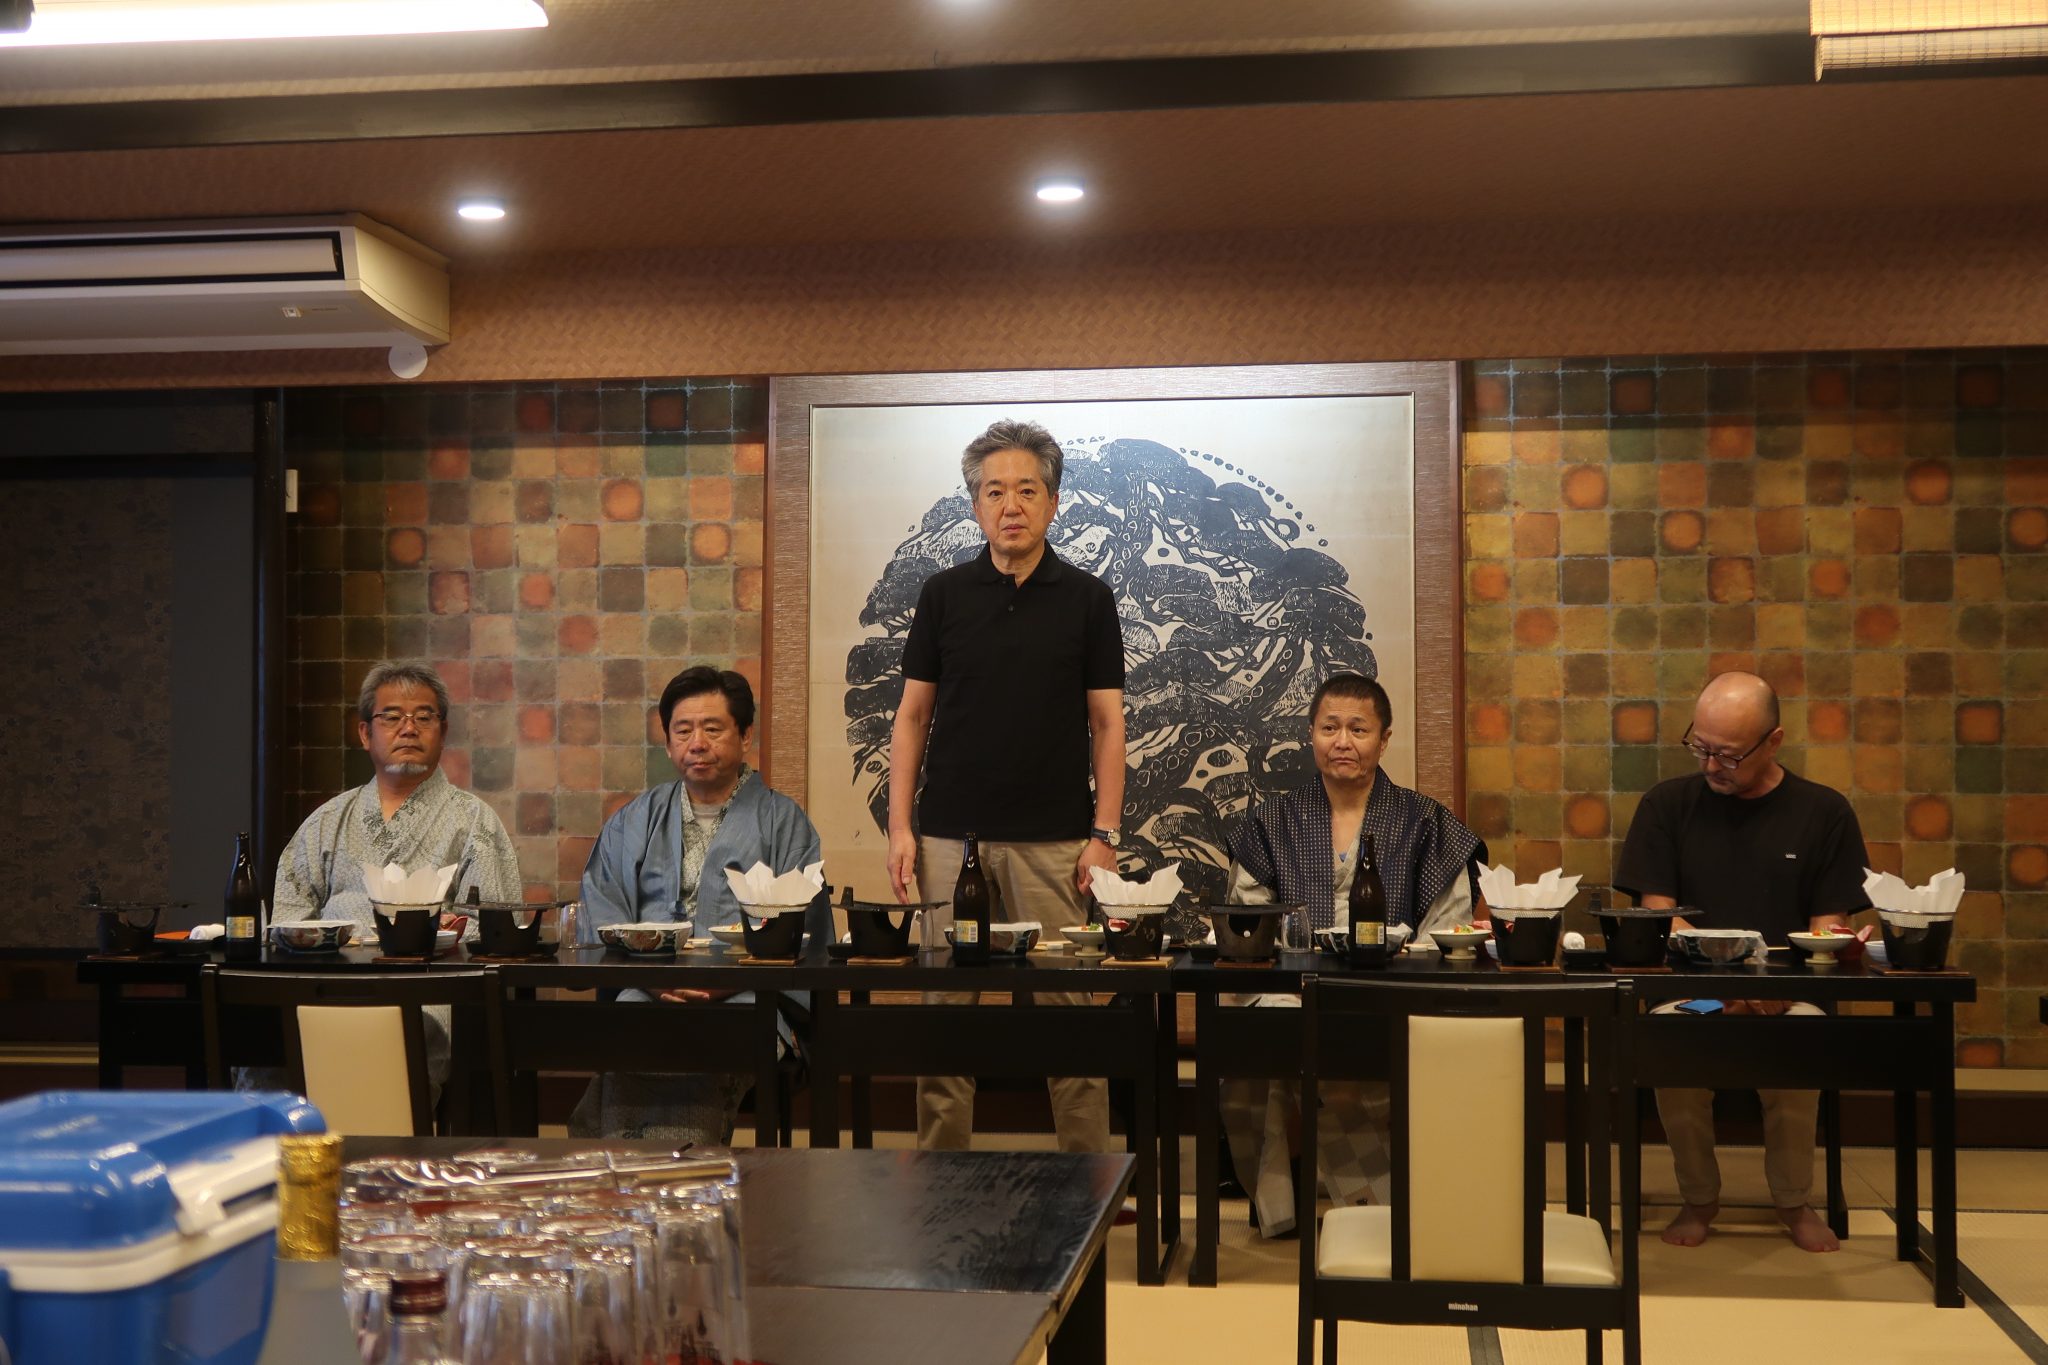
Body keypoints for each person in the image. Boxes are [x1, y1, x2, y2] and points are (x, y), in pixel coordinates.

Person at [887, 418, 1125, 1153]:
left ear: (1053, 502)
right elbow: (912, 717)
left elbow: (1107, 724)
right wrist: (900, 828)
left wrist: (1105, 834)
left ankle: (1090, 1178)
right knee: (944, 1017)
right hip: (948, 837)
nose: (1010, 505)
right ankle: (939, 1175)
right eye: (994, 491)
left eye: (1026, 490)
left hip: (1055, 839)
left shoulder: (1087, 598)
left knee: (1069, 1016)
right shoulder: (943, 594)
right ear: (975, 505)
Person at [1219, 671, 1486, 1237]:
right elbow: (1249, 927)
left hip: (1390, 995)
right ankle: (1290, 1203)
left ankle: (1359, 1214)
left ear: (1384, 740)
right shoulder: (1274, 821)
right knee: (1262, 1039)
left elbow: (1448, 932)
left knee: (1345, 1042)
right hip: (1291, 992)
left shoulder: (1426, 823)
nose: (1343, 741)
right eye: (1330, 727)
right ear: (1310, 734)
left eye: (1358, 729)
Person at [1615, 670, 1871, 1254]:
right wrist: (1729, 985)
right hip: (1696, 992)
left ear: (1773, 741)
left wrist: (1769, 987)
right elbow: (1660, 918)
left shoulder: (1823, 812)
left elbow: (1826, 929)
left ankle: (1794, 1200)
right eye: (1700, 747)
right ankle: (1698, 1198)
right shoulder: (1667, 806)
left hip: (1790, 993)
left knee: (1802, 1038)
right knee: (1669, 1036)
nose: (1711, 765)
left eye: (1728, 755)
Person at [573, 665, 828, 1144]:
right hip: (646, 990)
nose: (697, 744)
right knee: (626, 1036)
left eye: (713, 729)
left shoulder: (784, 822)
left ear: (745, 735)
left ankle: (673, 1174)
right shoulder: (634, 820)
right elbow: (603, 911)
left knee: (704, 1043)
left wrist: (724, 983)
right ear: (668, 742)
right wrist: (654, 979)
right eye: (683, 731)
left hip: (753, 996)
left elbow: (806, 933)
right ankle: (648, 1173)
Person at [269, 659, 520, 1089]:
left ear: (443, 730)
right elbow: (287, 917)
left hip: (426, 989)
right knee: (264, 1032)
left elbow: (496, 926)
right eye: (391, 717)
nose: (408, 729)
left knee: (411, 1029)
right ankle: (287, 1131)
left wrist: (440, 932)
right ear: (366, 733)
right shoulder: (328, 820)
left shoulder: (474, 821)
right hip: (327, 984)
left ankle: (391, 1132)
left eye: (424, 717)